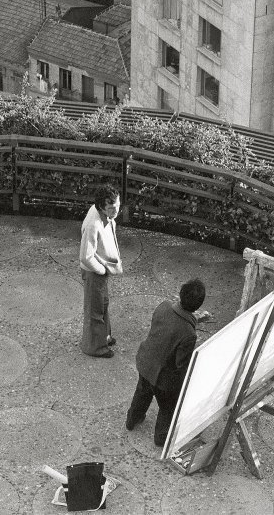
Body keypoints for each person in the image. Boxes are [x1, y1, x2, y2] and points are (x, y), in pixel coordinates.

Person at [126, 278, 206, 446]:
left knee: (142, 393)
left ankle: (132, 420)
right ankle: (161, 438)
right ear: (198, 307)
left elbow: (169, 326)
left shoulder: (163, 306)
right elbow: (180, 364)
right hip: (163, 377)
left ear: (180, 294)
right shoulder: (189, 333)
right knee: (167, 406)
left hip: (146, 361)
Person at [79, 184, 123, 358]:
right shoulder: (93, 224)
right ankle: (95, 347)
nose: (116, 211)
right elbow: (85, 256)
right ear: (101, 208)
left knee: (103, 304)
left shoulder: (103, 214)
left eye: (118, 206)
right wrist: (101, 270)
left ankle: (103, 337)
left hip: (101, 269)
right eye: (112, 208)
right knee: (95, 310)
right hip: (95, 271)